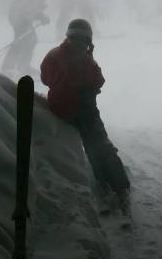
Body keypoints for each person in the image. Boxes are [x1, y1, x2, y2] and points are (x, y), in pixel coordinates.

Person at [40, 18, 131, 213]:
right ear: (88, 39)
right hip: (83, 111)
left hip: (58, 110)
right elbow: (98, 81)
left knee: (92, 143)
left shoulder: (53, 55)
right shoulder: (85, 60)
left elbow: (44, 78)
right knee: (99, 145)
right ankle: (118, 185)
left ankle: (103, 182)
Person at [1, 0, 59, 76]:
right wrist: (40, 16)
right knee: (26, 40)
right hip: (19, 16)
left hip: (20, 15)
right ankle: (10, 67)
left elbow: (31, 7)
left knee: (26, 40)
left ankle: (19, 66)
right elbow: (27, 7)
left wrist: (40, 16)